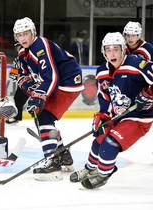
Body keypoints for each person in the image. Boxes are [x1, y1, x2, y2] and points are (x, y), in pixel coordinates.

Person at [69, 32, 153, 189]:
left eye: (116, 49)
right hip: (118, 116)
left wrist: (148, 95)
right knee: (98, 141)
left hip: (138, 117)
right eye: (108, 50)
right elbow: (105, 98)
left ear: (123, 49)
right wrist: (103, 116)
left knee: (109, 144)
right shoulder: (101, 71)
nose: (112, 53)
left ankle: (103, 174)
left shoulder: (137, 64)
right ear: (103, 51)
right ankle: (90, 169)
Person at [13, 17, 84, 181]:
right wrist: (30, 89)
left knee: (44, 117)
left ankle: (52, 163)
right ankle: (63, 155)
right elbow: (24, 77)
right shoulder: (24, 53)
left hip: (68, 81)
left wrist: (39, 96)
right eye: (19, 35)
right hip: (59, 83)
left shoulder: (40, 45)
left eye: (26, 33)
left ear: (33, 33)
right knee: (42, 117)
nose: (23, 38)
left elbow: (51, 77)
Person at [6, 42, 29, 124]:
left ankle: (18, 116)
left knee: (35, 100)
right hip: (23, 83)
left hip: (32, 82)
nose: (18, 49)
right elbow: (12, 74)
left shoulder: (29, 56)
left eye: (19, 46)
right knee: (18, 99)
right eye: (17, 47)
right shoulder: (17, 59)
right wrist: (17, 76)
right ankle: (18, 116)